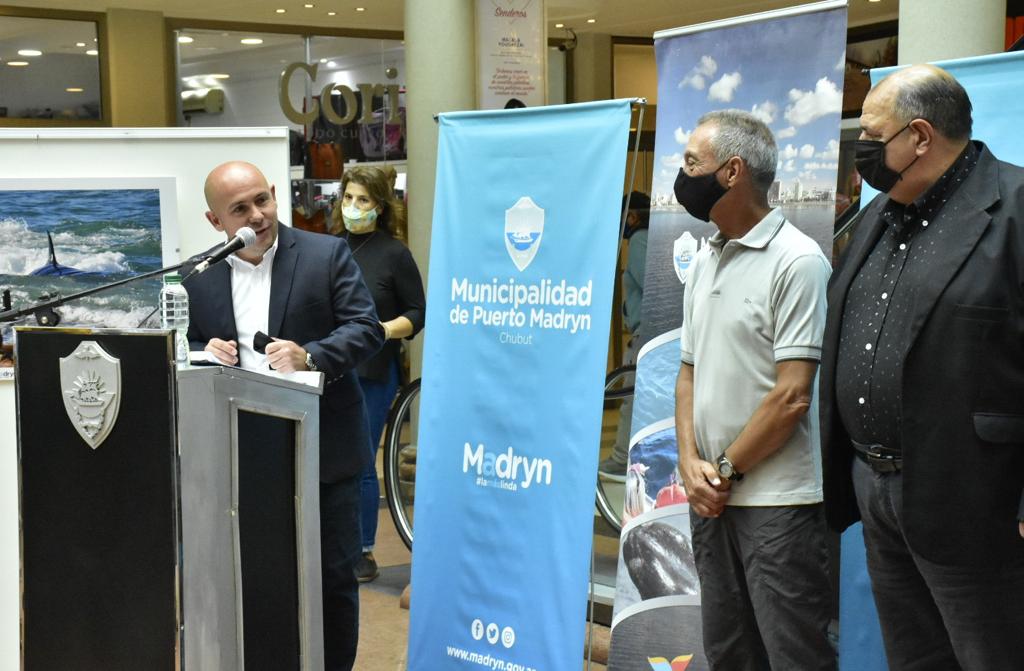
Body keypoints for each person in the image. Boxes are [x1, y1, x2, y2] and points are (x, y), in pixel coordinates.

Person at [820, 64, 1024, 670]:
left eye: (871, 134)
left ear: (919, 136)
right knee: (913, 657)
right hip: (875, 485)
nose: (862, 148)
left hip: (978, 497)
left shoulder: (1015, 209)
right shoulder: (878, 215)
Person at [184, 161, 384, 671]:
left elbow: (367, 329)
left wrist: (310, 355)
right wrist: (204, 351)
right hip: (242, 456)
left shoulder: (325, 254)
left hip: (324, 451)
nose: (257, 215)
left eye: (262, 200)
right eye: (240, 209)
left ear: (275, 194)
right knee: (258, 577)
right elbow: (188, 343)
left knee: (332, 578)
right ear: (215, 221)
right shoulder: (197, 275)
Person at [673, 110, 835, 670]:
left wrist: (723, 471)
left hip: (776, 507)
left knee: (794, 655)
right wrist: (689, 463)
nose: (682, 174)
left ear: (732, 171)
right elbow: (688, 371)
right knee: (728, 652)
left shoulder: (798, 261)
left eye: (692, 162)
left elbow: (792, 396)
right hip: (711, 502)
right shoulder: (705, 257)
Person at [330, 166, 425, 582]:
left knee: (362, 458)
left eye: (363, 200)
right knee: (328, 458)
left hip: (372, 370)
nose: (353, 207)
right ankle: (331, 542)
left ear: (380, 206)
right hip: (327, 366)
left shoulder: (394, 254)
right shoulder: (328, 248)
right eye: (348, 198)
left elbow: (417, 312)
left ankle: (363, 549)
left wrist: (383, 330)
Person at [598, 191, 650, 481]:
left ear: (631, 217)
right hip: (646, 331)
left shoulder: (640, 239)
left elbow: (647, 283)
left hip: (644, 332)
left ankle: (621, 459)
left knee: (631, 397)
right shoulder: (650, 237)